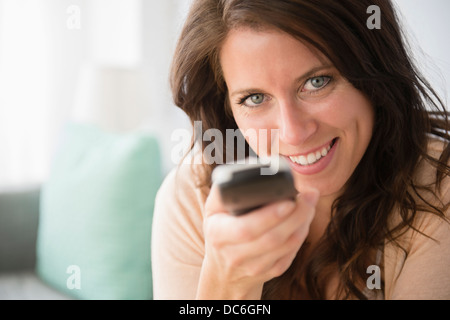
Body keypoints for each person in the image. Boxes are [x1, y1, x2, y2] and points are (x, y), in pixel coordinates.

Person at [151, 0, 450, 300]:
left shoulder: (439, 189)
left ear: (374, 73)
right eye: (255, 98)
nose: (293, 133)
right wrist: (230, 286)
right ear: (227, 108)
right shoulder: (192, 197)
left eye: (317, 82)